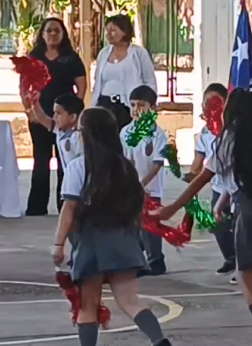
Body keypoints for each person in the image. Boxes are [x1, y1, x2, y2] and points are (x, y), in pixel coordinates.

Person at [155, 87, 252, 346]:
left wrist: (172, 207)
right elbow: (240, 174)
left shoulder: (227, 138)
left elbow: (202, 178)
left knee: (246, 275)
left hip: (251, 208)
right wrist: (222, 201)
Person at [53, 107, 175, 346]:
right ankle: (160, 342)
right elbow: (136, 207)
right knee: (129, 299)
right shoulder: (126, 168)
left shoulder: (78, 168)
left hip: (92, 240)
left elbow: (69, 210)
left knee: (88, 303)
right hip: (124, 238)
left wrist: (59, 244)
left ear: (87, 135)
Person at [27, 18, 88, 216]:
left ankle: (66, 204)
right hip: (40, 115)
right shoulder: (34, 57)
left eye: (57, 31)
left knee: (66, 162)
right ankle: (37, 206)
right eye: (49, 30)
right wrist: (29, 108)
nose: (53, 34)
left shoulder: (71, 58)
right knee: (41, 160)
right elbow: (24, 84)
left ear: (63, 33)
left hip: (66, 118)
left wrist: (74, 111)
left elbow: (81, 86)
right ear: (42, 34)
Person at [122, 85, 169, 277]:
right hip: (131, 187)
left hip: (151, 188)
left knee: (150, 226)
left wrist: (142, 184)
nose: (136, 109)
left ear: (153, 107)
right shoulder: (125, 132)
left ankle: (156, 260)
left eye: (141, 105)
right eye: (133, 105)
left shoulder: (158, 135)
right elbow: (126, 159)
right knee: (133, 225)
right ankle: (137, 260)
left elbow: (156, 164)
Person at [188, 83, 235, 275]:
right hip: (218, 186)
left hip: (233, 187)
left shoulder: (230, 131)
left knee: (236, 226)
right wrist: (192, 174)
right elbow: (199, 156)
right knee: (218, 226)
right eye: (206, 103)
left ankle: (243, 262)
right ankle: (230, 258)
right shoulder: (206, 132)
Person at [24, 92, 85, 212]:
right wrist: (34, 103)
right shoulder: (60, 130)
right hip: (70, 177)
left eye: (58, 113)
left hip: (79, 179)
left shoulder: (79, 137)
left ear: (72, 117)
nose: (55, 117)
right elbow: (42, 118)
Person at [91, 14, 156, 128]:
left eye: (113, 30)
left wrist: (148, 103)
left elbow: (149, 81)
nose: (108, 34)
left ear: (124, 31)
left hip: (128, 106)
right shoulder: (103, 53)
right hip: (104, 105)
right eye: (107, 31)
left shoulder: (139, 53)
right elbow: (97, 81)